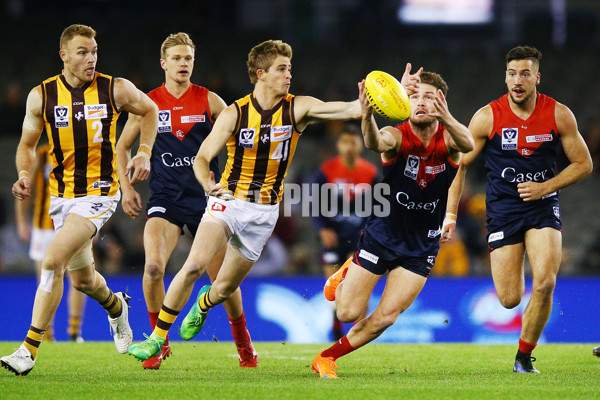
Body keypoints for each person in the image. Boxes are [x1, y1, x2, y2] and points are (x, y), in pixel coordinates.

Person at [128, 39, 365, 361]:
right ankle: (156, 341)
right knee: (193, 265)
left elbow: (350, 109)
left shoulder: (298, 107)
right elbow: (201, 158)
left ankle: (204, 303)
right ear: (261, 74)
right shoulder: (234, 112)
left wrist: (375, 98)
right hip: (228, 202)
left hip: (264, 212)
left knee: (224, 288)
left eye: (289, 69)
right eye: (282, 69)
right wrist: (207, 183)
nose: (288, 75)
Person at [1, 24, 158, 376]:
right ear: (64, 56)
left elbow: (150, 109)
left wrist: (143, 151)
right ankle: (116, 307)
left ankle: (28, 350)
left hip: (100, 192)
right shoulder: (41, 96)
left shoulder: (114, 88)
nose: (91, 58)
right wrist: (25, 175)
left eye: (95, 51)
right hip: (62, 198)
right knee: (83, 280)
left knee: (52, 260)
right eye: (83, 52)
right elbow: (26, 146)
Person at [312, 70, 475, 379]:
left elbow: (467, 144)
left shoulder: (450, 139)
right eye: (415, 96)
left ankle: (326, 358)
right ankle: (349, 267)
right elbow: (374, 142)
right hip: (382, 236)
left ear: (441, 102)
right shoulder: (397, 135)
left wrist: (448, 116)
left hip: (421, 245)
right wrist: (367, 115)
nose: (421, 103)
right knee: (346, 312)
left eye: (429, 97)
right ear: (405, 102)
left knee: (386, 317)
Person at [446, 46, 592, 373]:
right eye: (512, 73)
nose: (517, 80)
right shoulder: (487, 117)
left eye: (525, 73)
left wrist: (546, 187)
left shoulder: (558, 114)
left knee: (545, 282)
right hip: (502, 212)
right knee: (510, 299)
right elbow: (460, 166)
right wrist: (451, 215)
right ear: (506, 77)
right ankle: (526, 325)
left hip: (542, 207)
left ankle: (523, 357)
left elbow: (584, 163)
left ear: (537, 77)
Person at [116, 32, 257, 369]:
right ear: (163, 63)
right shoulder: (147, 103)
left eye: (188, 59)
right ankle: (157, 345)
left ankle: (244, 345)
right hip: (165, 199)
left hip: (206, 203)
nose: (183, 64)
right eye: (177, 58)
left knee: (222, 284)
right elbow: (121, 147)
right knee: (152, 269)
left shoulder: (210, 101)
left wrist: (231, 183)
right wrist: (127, 189)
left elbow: (238, 140)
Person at [311, 124, 378, 339]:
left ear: (361, 145)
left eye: (354, 142)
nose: (349, 146)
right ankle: (336, 326)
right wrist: (322, 230)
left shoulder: (370, 172)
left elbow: (381, 206)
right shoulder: (326, 171)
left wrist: (370, 232)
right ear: (338, 145)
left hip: (359, 239)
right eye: (345, 142)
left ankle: (359, 332)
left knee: (358, 284)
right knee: (333, 283)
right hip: (333, 237)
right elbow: (313, 203)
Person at [15, 144, 87, 342]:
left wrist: (93, 223)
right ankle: (46, 334)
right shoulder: (41, 154)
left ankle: (74, 331)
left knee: (79, 279)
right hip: (43, 226)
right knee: (45, 281)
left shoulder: (81, 149)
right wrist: (22, 222)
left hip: (73, 223)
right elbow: (25, 187)